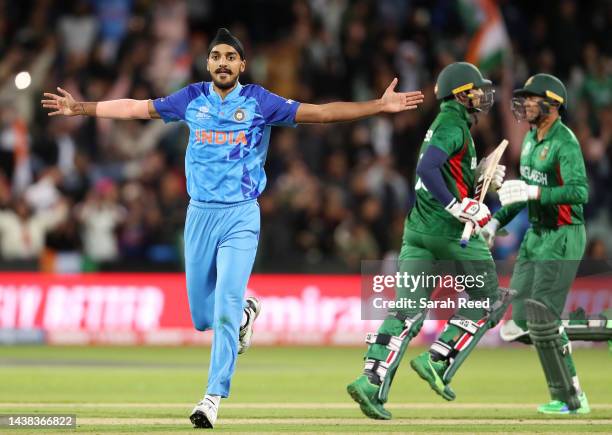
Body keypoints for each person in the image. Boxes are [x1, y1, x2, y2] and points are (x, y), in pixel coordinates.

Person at [41, 28, 424, 429]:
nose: (222, 62)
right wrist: (81, 108)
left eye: (230, 57)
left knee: (222, 309)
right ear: (208, 63)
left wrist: (378, 106)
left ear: (242, 65)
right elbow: (137, 108)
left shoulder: (260, 101)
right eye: (216, 56)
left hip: (241, 216)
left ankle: (211, 398)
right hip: (199, 216)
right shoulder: (191, 98)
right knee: (202, 318)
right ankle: (245, 315)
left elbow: (322, 112)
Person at [347, 62, 513, 420]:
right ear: (460, 94)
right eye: (476, 90)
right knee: (491, 299)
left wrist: (480, 177)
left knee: (406, 312)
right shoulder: (454, 125)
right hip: (448, 234)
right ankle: (437, 359)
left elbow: (441, 171)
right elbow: (427, 169)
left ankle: (369, 381)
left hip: (417, 233)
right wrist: (459, 207)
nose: (482, 96)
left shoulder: (445, 124)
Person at [482, 73, 591, 414]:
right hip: (536, 236)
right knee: (517, 324)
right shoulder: (530, 139)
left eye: (532, 98)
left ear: (553, 104)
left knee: (544, 320)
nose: (526, 104)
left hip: (562, 233)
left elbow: (579, 192)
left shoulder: (565, 142)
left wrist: (535, 192)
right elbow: (522, 193)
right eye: (524, 98)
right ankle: (563, 385)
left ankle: (572, 397)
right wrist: (496, 220)